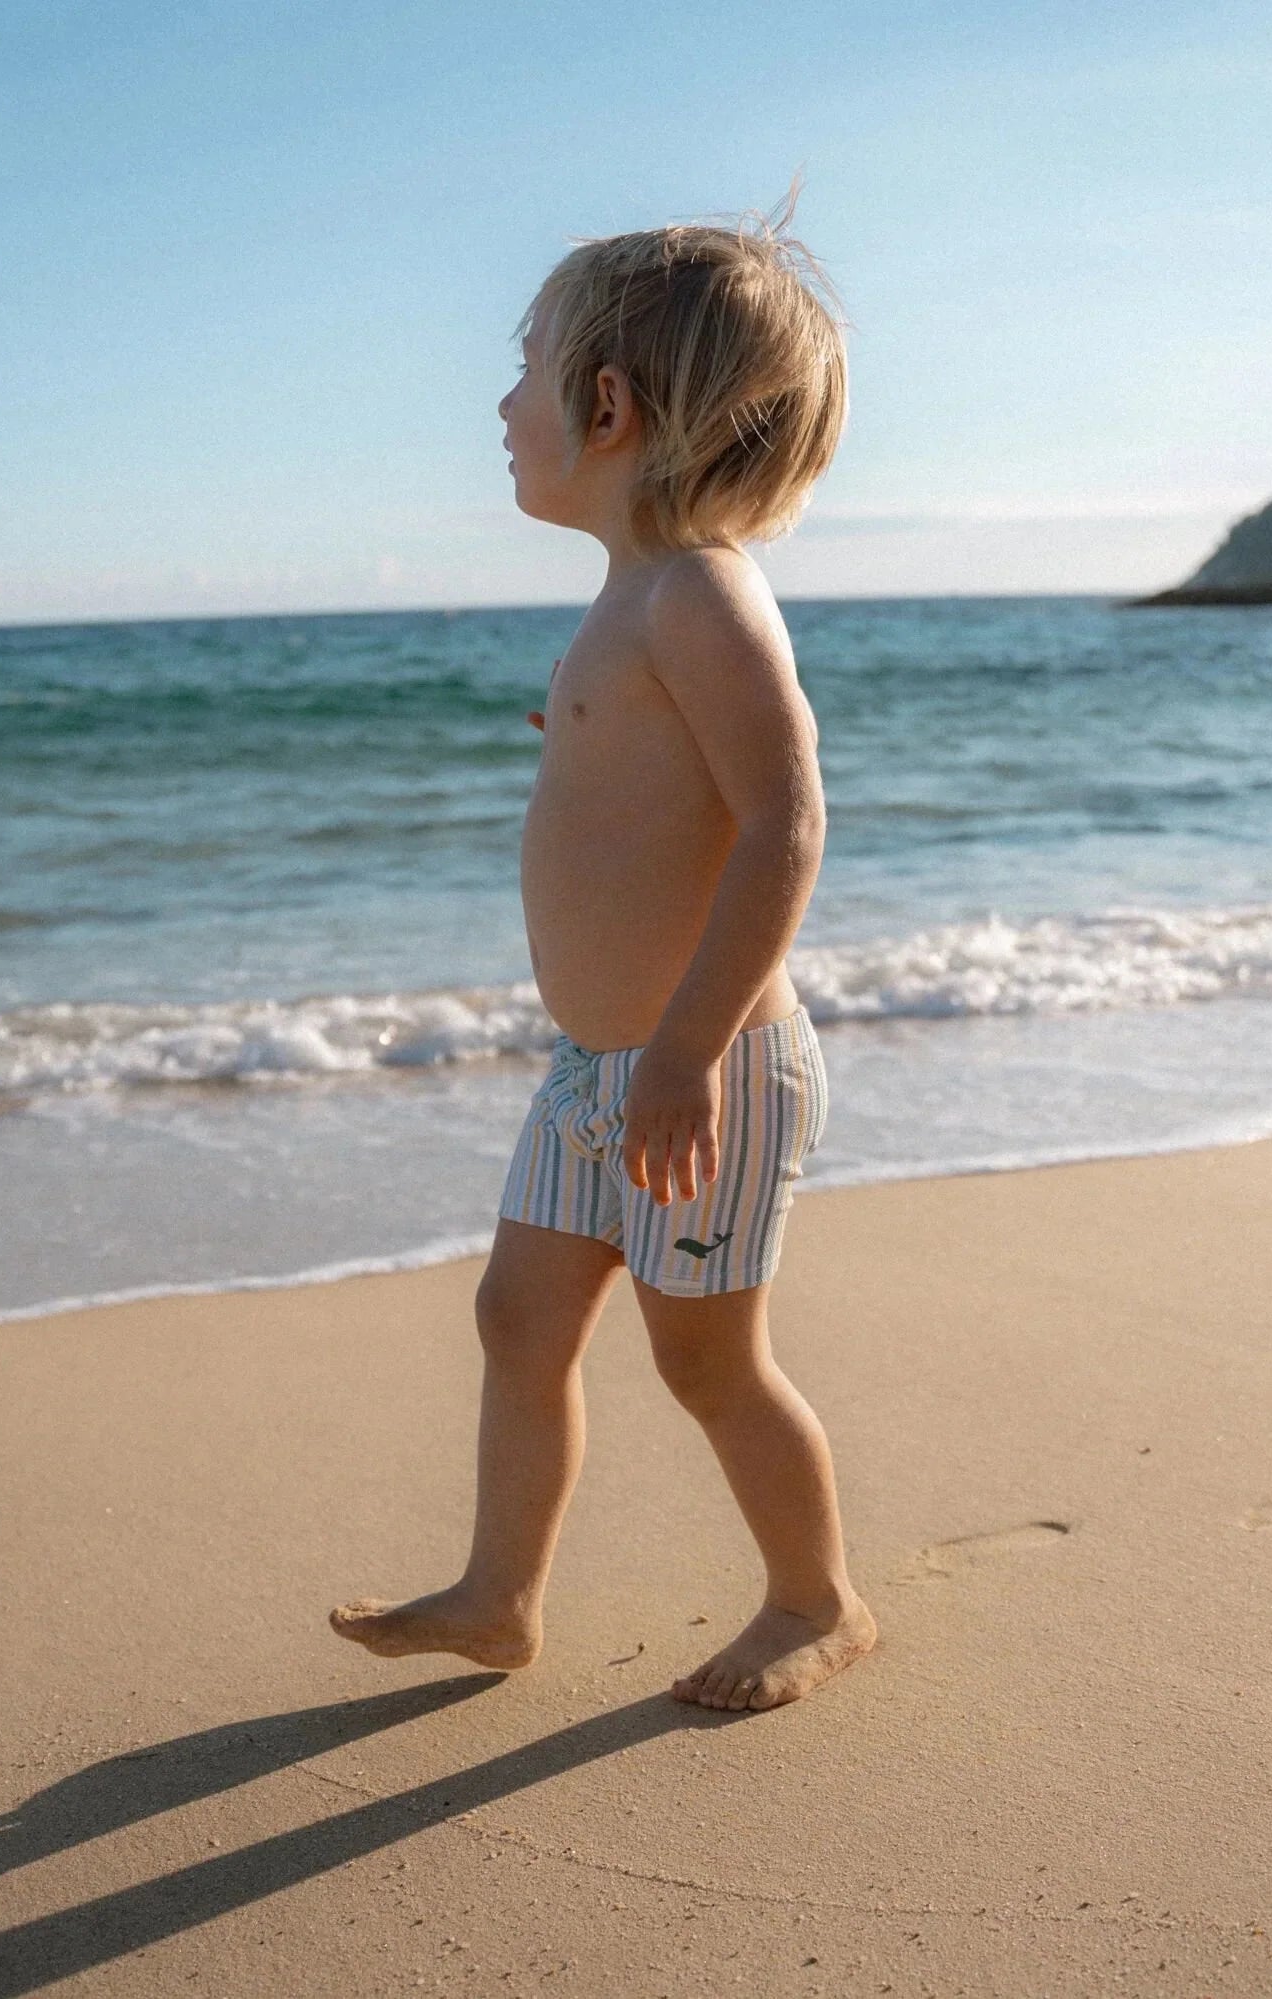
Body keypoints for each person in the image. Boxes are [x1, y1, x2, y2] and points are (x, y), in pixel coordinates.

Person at [331, 204, 877, 1711]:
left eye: (524, 373)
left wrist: (692, 1052)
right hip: (599, 1071)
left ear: (610, 407)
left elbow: (786, 822)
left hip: (703, 1070)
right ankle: (501, 1598)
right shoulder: (630, 601)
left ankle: (817, 1602)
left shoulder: (700, 592)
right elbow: (670, 794)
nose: (504, 407)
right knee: (517, 1317)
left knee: (706, 1364)